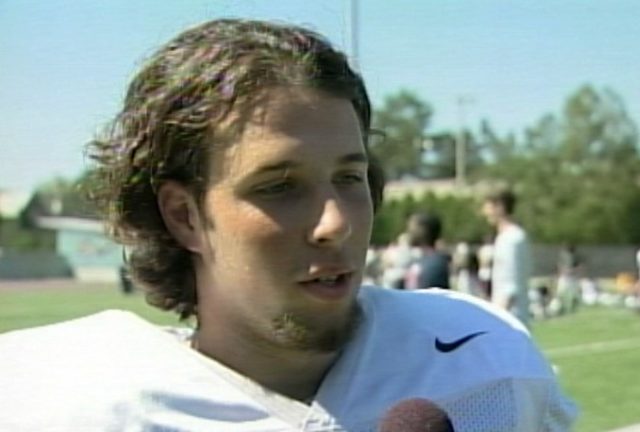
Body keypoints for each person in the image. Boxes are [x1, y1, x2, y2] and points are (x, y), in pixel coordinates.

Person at [0, 19, 576, 431]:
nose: (336, 223)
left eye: (350, 178)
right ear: (185, 216)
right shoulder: (77, 406)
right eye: (279, 187)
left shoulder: (482, 369)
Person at [482, 189, 533, 327]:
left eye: (488, 206)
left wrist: (494, 321)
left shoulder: (510, 239)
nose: (485, 211)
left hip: (510, 320)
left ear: (500, 207)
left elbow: (509, 287)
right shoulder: (512, 237)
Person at [404, 211, 451, 290]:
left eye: (412, 228)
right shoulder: (419, 260)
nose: (408, 232)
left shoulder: (435, 264)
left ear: (422, 231)